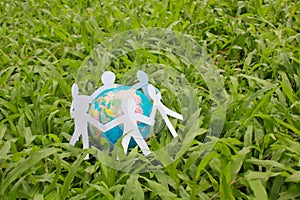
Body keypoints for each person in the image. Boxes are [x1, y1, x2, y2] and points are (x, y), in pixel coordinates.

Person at [70, 83, 105, 159]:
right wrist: (102, 127)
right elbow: (93, 121)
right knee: (84, 138)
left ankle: (70, 148)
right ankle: (85, 154)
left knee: (77, 135)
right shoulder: (84, 114)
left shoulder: (76, 111)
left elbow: (72, 114)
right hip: (82, 126)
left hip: (79, 125)